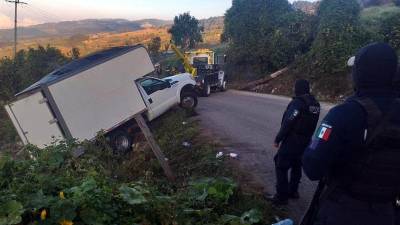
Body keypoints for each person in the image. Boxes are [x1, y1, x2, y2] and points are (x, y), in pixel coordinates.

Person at [302, 42, 400, 225]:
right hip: (387, 213)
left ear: (359, 73)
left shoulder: (345, 113)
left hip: (344, 210)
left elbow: (312, 167)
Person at [271, 79, 321, 205]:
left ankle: (281, 197)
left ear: (297, 88)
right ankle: (293, 191)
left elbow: (289, 121)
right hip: (306, 141)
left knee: (280, 165)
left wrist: (278, 138)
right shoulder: (315, 104)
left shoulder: (298, 103)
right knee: (296, 164)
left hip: (293, 140)